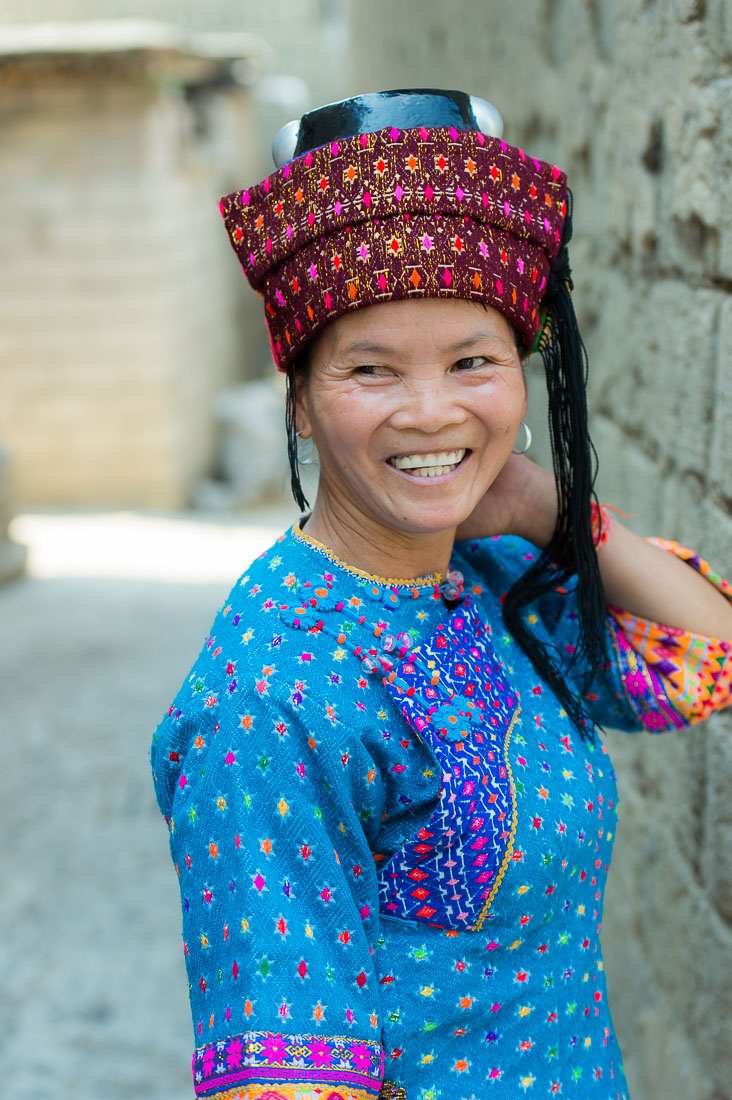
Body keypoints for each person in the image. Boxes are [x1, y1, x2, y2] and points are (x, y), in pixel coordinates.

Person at [151, 90, 732, 1100]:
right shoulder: (266, 700)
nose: (431, 412)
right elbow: (287, 1078)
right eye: (371, 369)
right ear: (297, 396)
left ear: (522, 368)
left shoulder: (493, 578)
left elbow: (708, 657)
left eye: (474, 361)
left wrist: (541, 504)